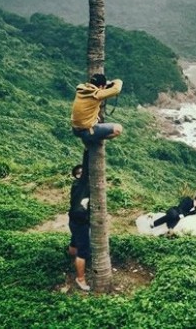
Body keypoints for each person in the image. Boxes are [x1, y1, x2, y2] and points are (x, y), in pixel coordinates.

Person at [71, 73, 123, 145]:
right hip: (86, 131)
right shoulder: (96, 94)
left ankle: (90, 137)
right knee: (118, 129)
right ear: (101, 86)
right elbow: (117, 89)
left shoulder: (81, 89)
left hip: (75, 129)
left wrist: (105, 85)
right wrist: (116, 81)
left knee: (97, 118)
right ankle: (93, 139)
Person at [68, 151, 91, 291]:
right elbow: (87, 167)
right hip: (80, 221)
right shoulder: (81, 184)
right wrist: (87, 151)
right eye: (79, 172)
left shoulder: (77, 186)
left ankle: (71, 256)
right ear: (77, 176)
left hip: (74, 219)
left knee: (75, 240)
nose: (82, 173)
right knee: (83, 251)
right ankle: (80, 279)